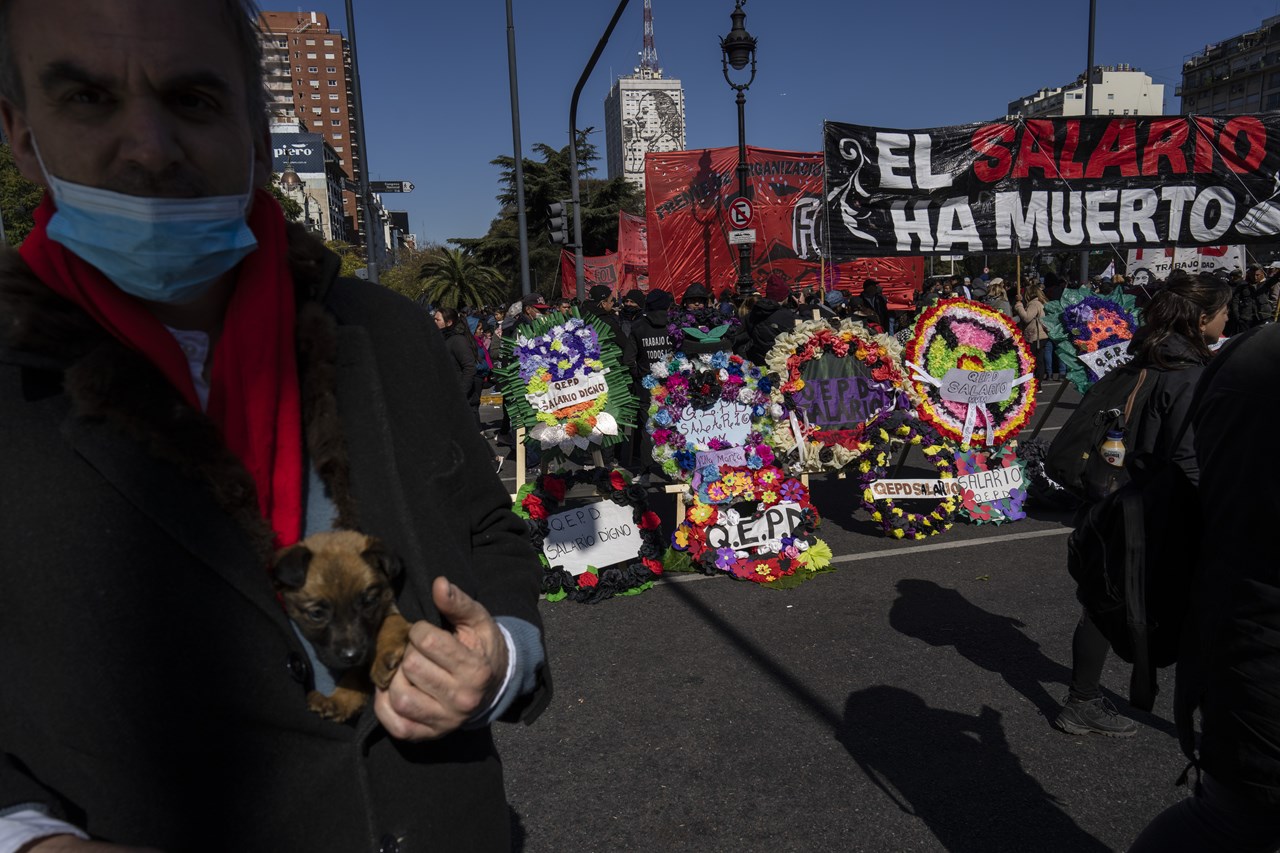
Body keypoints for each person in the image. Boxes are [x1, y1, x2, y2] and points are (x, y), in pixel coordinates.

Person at [0, 1, 549, 850]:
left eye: (191, 99)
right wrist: (32, 837)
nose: (148, 146)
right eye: (89, 98)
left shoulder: (389, 331)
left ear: (258, 135)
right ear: (21, 133)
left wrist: (501, 658)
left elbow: (487, 529)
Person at [1053, 273, 1230, 741]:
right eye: (1223, 311)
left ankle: (1081, 700)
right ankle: (1212, 722)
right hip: (1159, 512)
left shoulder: (1142, 355)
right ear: (1202, 319)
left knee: (1102, 600)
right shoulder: (1188, 373)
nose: (1228, 319)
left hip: (1112, 501)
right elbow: (1187, 457)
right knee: (1193, 611)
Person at [1128, 323, 1280, 852]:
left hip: (1237, 621)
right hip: (1260, 635)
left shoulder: (1248, 349)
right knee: (1232, 819)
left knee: (1230, 816)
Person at [435, 307, 480, 428]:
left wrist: (460, 393)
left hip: (463, 402)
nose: (434, 322)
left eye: (437, 320)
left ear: (449, 322)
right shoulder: (442, 339)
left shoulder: (457, 340)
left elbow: (469, 368)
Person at [740, 273, 796, 365]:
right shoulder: (786, 316)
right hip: (780, 364)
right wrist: (803, 306)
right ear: (784, 296)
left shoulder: (752, 314)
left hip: (758, 363)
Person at [1015, 283, 1058, 380]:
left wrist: (1019, 305)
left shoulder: (1034, 304)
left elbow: (1027, 317)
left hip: (1035, 336)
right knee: (1039, 360)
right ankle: (1038, 382)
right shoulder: (1041, 302)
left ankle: (1036, 382)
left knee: (1035, 361)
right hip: (1042, 336)